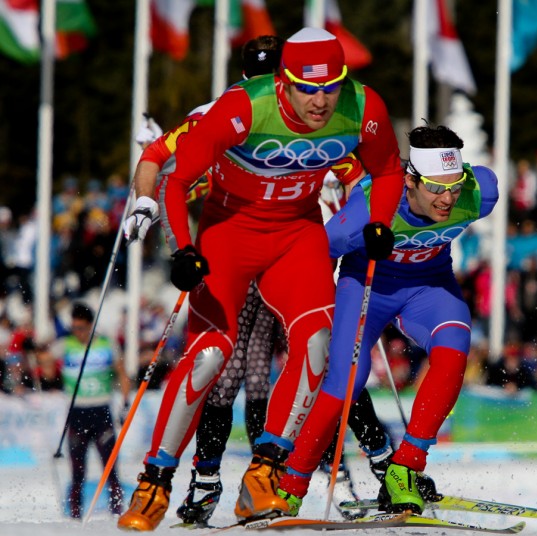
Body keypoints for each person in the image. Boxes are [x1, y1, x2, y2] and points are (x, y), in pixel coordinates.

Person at [117, 27, 403, 531]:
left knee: (319, 344)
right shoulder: (234, 108)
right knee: (210, 357)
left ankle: (264, 474)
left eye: (330, 87)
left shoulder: (360, 107)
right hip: (229, 230)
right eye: (306, 88)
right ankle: (156, 481)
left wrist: (377, 221)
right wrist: (180, 248)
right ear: (281, 81)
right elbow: (174, 174)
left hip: (297, 233)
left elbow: (385, 171)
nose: (320, 101)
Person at [271, 124, 499, 517]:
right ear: (410, 181)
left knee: (455, 349)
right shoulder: (371, 209)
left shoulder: (479, 194)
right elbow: (320, 253)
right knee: (346, 383)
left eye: (454, 187)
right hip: (366, 289)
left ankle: (405, 468)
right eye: (435, 189)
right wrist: (315, 312)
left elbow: (485, 182)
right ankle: (290, 484)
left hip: (429, 287)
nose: (447, 199)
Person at [53, 302, 130, 519]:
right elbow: (45, 361)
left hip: (101, 413)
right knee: (78, 473)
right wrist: (33, 348)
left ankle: (117, 513)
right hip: (77, 414)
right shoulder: (64, 344)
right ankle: (74, 517)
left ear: (90, 326)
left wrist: (125, 403)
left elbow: (123, 374)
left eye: (81, 328)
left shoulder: (107, 344)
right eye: (74, 328)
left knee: (110, 470)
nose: (77, 333)